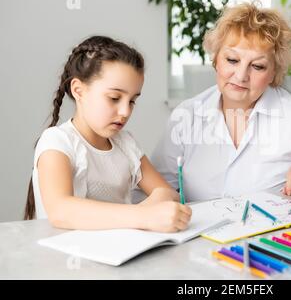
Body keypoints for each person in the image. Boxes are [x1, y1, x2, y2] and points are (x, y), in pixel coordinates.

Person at [151, 2, 291, 202]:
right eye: (232, 60)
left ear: (274, 72)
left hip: (268, 239)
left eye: (258, 66)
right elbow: (156, 185)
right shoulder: (187, 116)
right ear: (216, 59)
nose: (241, 75)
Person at [24, 36, 191, 233]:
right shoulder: (57, 141)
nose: (125, 112)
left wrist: (157, 202)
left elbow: (168, 193)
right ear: (78, 91)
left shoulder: (126, 144)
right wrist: (143, 215)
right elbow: (61, 211)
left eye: (132, 101)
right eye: (114, 98)